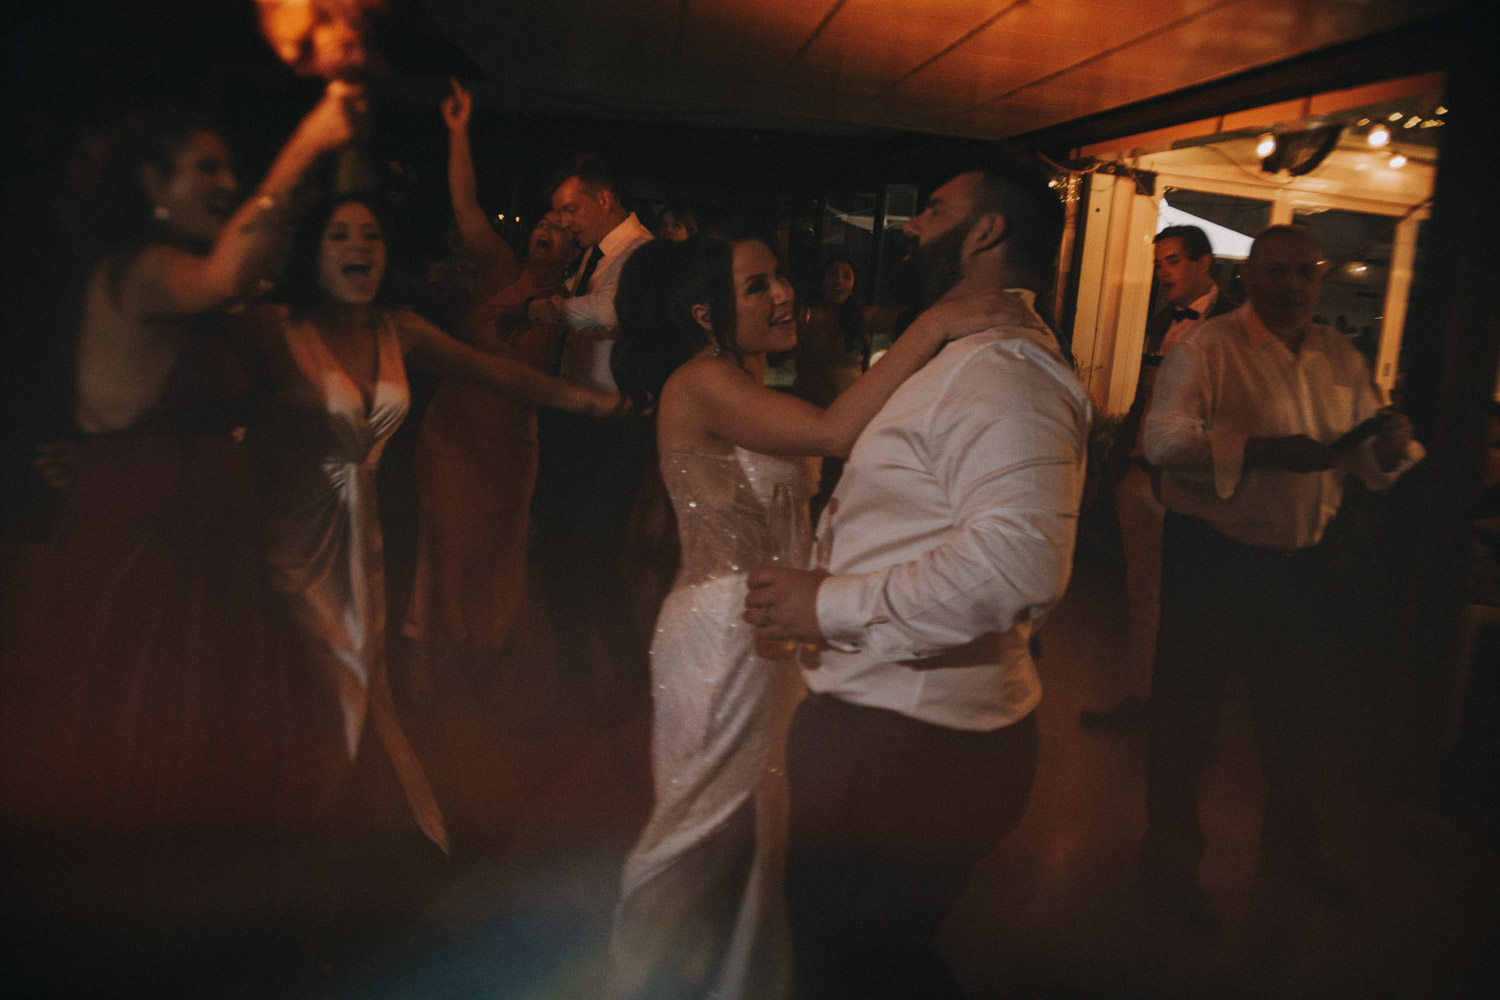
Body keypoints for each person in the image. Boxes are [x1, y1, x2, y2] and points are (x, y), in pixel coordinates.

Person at [604, 233, 1026, 1000]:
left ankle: (727, 980)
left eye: (780, 278)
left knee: (758, 825)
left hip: (773, 625)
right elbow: (835, 432)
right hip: (718, 631)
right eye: (758, 286)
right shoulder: (698, 383)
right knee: (698, 829)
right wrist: (930, 327)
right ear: (706, 313)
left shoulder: (754, 378)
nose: (784, 295)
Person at [743, 163, 1093, 999]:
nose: (908, 226)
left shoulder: (1003, 372)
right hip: (887, 734)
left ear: (984, 235)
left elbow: (1019, 564)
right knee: (854, 960)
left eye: (931, 211)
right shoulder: (960, 353)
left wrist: (825, 603)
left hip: (913, 755)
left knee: (856, 969)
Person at [33, 84, 359, 837]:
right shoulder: (143, 269)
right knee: (146, 712)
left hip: (207, 528)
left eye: (228, 170)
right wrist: (308, 140)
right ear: (152, 184)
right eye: (205, 169)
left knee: (218, 712)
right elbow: (227, 273)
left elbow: (303, 395)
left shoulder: (204, 299)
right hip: (148, 527)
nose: (226, 184)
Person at [245, 194, 613, 853]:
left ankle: (354, 843)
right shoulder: (277, 325)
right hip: (293, 537)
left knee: (363, 686)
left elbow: (489, 369)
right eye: (340, 235)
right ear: (312, 250)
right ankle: (282, 838)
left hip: (364, 538)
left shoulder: (396, 329)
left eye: (372, 234)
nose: (360, 246)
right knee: (299, 689)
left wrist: (579, 400)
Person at [1137, 224, 1424, 936]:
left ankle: (1293, 851)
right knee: (1187, 723)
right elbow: (1162, 443)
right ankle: (1167, 869)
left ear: (1319, 280)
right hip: (1213, 559)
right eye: (1276, 273)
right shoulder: (1207, 347)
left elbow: (1366, 464)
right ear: (1248, 278)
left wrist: (1390, 447)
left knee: (1293, 723)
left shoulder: (1339, 353)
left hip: (1300, 568)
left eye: (1305, 273)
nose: (1292, 286)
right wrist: (1263, 451)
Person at [402, 80, 580, 703]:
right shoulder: (501, 270)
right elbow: (466, 206)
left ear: (574, 248)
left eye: (561, 227)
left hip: (511, 448)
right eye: (544, 221)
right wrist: (458, 132)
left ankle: (492, 649)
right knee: (443, 544)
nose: (546, 229)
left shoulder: (575, 309)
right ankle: (426, 650)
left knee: (499, 552)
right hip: (452, 437)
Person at [1080, 224, 1237, 732]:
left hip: (1189, 483)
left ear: (1203, 263)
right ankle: (1143, 700)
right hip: (1141, 475)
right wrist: (1118, 464)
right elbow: (1143, 400)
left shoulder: (1231, 324)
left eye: (1172, 260)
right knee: (1142, 592)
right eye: (1158, 262)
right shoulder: (1161, 320)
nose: (1162, 271)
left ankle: (1185, 718)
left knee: (1190, 599)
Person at [528, 156, 656, 724]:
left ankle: (628, 682)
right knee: (558, 554)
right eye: (556, 210)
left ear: (604, 200)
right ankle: (576, 685)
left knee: (593, 556)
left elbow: (609, 311)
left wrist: (542, 309)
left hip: (614, 427)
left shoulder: (642, 254)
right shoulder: (591, 257)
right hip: (574, 419)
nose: (562, 219)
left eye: (570, 208)